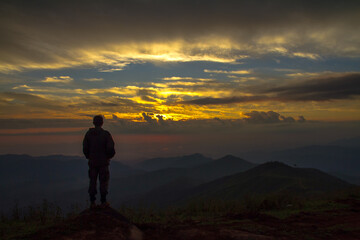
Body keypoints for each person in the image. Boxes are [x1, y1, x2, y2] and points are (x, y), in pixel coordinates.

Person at [83, 115, 115, 209]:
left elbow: (85, 148)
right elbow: (110, 148)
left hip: (92, 162)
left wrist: (89, 157)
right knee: (103, 181)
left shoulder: (88, 134)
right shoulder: (105, 134)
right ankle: (103, 202)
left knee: (92, 181)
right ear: (102, 123)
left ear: (93, 122)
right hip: (103, 163)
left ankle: (92, 202)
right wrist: (108, 157)